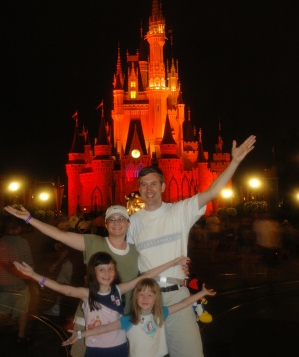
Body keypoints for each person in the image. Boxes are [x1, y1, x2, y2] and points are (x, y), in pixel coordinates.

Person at [126, 134, 256, 357]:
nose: (149, 189)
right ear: (139, 189)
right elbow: (124, 258)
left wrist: (234, 162)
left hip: (177, 294)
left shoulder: (180, 211)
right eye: (144, 185)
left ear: (163, 186)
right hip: (145, 298)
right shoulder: (133, 222)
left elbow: (212, 191)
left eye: (154, 184)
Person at [4, 204, 140, 357]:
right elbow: (59, 235)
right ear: (106, 224)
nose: (116, 222)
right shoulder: (93, 243)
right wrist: (29, 219)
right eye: (112, 219)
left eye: (121, 219)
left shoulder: (137, 251)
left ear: (128, 223)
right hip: (90, 319)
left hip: (123, 320)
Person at [13, 251, 189, 357]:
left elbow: (145, 276)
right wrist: (34, 275)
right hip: (96, 349)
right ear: (93, 272)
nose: (107, 273)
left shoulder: (119, 290)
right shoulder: (87, 294)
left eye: (110, 269)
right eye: (101, 269)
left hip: (120, 347)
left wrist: (173, 262)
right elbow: (62, 288)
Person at [62, 278, 216, 357]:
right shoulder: (129, 319)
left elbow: (183, 303)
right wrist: (82, 334)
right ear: (135, 297)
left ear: (156, 298)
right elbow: (105, 328)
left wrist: (201, 293)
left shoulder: (161, 313)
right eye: (141, 294)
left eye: (150, 294)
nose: (145, 298)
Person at [0, 215, 35, 344]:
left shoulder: (1, 242)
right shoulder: (23, 243)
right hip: (20, 285)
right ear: (19, 228)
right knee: (22, 311)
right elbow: (29, 264)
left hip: (2, 286)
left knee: (1, 312)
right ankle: (20, 336)